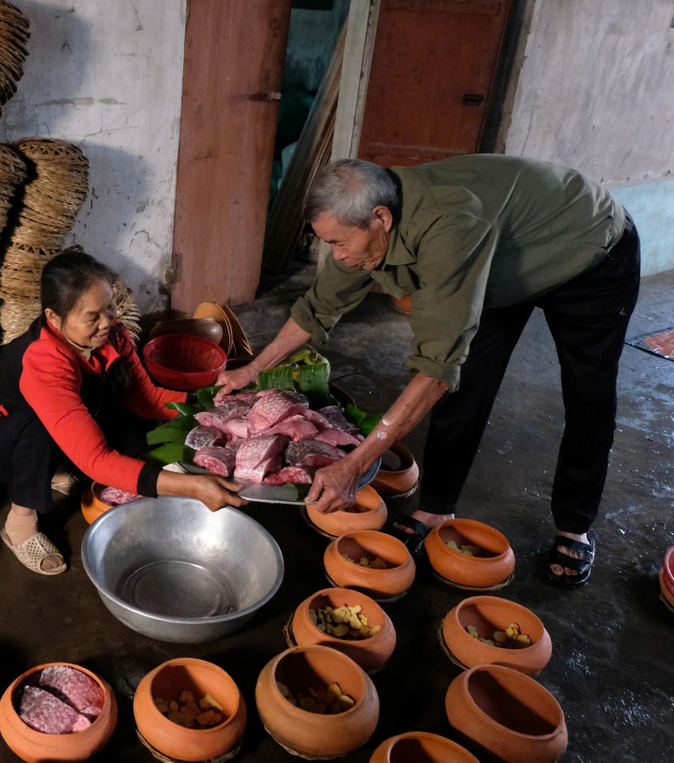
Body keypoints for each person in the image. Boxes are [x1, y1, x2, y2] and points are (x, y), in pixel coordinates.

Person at [217, 155, 640, 587]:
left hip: (586, 254)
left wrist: (359, 460)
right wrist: (251, 369)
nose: (338, 256)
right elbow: (317, 308)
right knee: (467, 384)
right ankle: (437, 506)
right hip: (501, 265)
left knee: (588, 390)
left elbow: (435, 369)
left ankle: (575, 524)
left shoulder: (448, 229)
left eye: (341, 243)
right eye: (329, 244)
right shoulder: (364, 222)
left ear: (380, 218)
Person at [0, 250, 246, 575]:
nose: (107, 322)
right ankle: (20, 522)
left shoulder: (112, 334)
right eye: (92, 316)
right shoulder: (43, 360)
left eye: (110, 308)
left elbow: (146, 399)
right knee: (39, 421)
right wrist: (193, 486)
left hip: (45, 430)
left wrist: (210, 409)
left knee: (132, 427)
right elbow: (95, 459)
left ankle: (50, 470)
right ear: (54, 318)